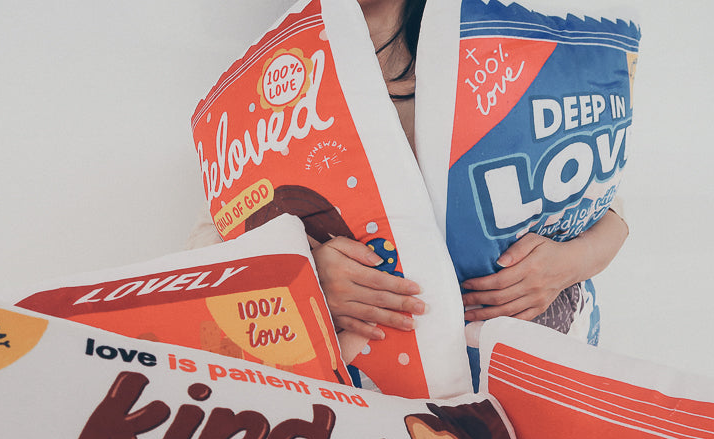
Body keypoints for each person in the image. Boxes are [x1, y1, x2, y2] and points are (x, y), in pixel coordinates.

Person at [189, 0, 628, 352]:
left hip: (517, 371)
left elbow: (609, 213)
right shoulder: (272, 83)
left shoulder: (501, 49)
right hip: (374, 393)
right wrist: (307, 276)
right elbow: (213, 239)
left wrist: (563, 266)